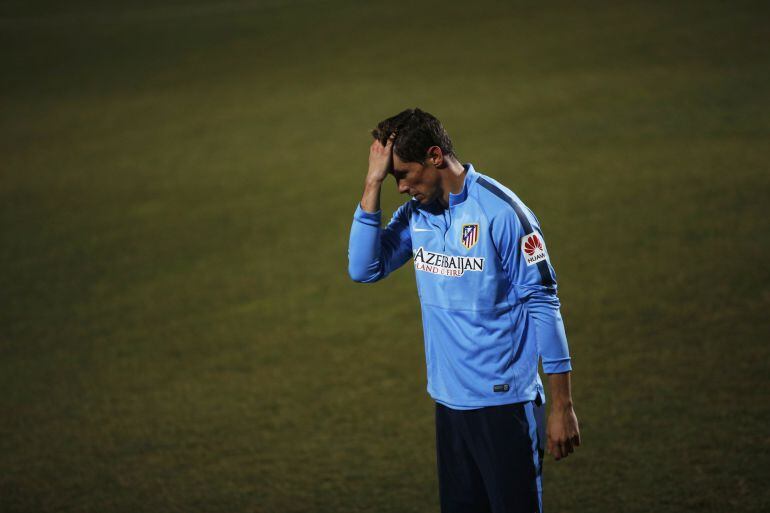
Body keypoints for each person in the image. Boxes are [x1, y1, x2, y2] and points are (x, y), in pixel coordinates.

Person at [347, 108, 580, 513]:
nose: (400, 188)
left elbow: (544, 304)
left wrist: (563, 407)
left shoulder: (502, 213)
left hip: (504, 406)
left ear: (435, 156)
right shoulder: (417, 216)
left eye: (403, 174)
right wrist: (372, 182)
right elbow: (364, 268)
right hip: (449, 404)